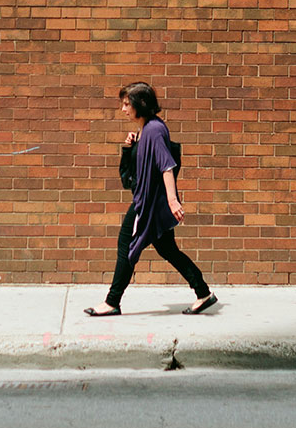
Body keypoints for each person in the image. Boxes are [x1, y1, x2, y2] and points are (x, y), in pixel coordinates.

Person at [84, 82, 218, 316]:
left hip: (148, 205)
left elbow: (166, 165)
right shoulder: (147, 130)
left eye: (127, 104)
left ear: (140, 104)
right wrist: (131, 147)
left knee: (126, 247)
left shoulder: (154, 130)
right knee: (169, 250)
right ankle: (203, 292)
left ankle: (112, 301)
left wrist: (173, 201)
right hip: (152, 203)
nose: (123, 109)